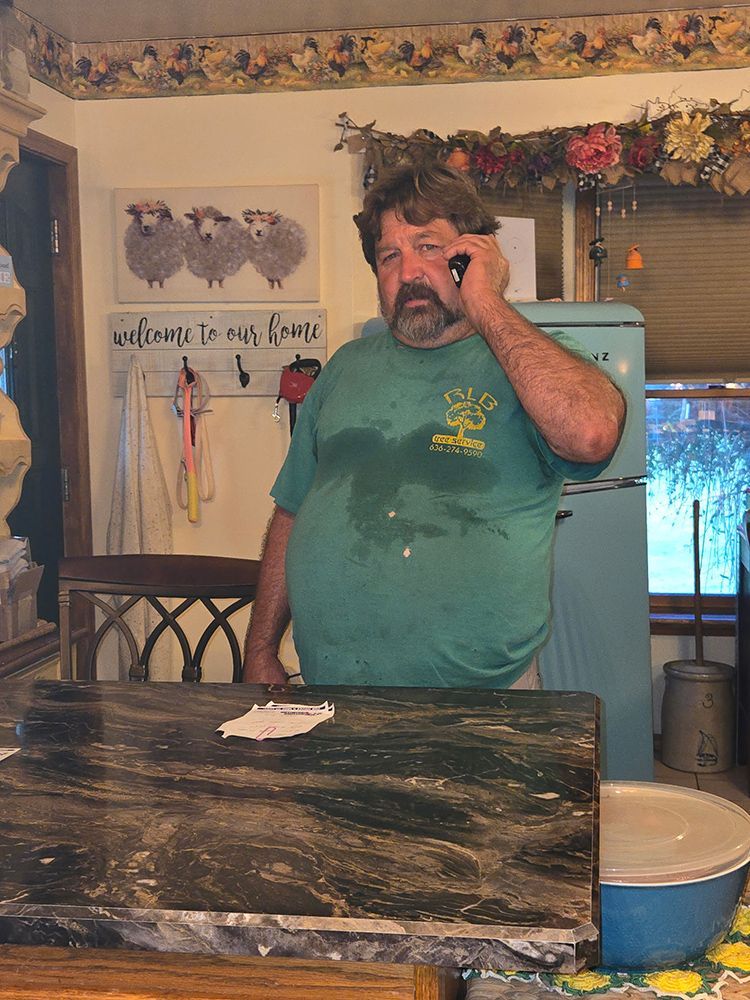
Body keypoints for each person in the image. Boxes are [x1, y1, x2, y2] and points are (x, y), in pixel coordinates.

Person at [243, 163, 625, 689]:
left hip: (483, 699)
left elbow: (590, 434)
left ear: (473, 255)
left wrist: (485, 301)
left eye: (429, 247)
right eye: (389, 256)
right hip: (332, 688)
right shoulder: (345, 367)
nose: (408, 272)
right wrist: (261, 647)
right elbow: (292, 509)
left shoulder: (530, 362)